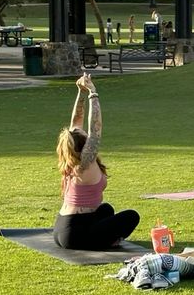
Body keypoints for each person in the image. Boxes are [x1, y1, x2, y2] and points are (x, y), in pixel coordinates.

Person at [53, 74, 140, 250]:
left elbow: (76, 121)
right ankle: (106, 242)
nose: (84, 132)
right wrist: (93, 92)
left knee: (106, 209)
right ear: (85, 146)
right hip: (76, 234)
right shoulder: (85, 164)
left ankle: (102, 237)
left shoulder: (70, 155)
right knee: (131, 216)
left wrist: (81, 92)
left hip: (63, 227)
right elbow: (96, 130)